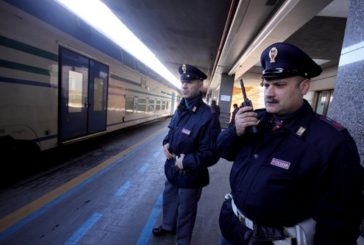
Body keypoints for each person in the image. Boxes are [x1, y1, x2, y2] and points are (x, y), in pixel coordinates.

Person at [217, 42, 364, 245]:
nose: (269, 93)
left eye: (280, 85)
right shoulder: (255, 119)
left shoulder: (331, 141)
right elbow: (222, 150)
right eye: (266, 84)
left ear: (303, 87)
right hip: (232, 231)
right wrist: (235, 131)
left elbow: (340, 221)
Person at [152, 64, 221, 245]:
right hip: (172, 167)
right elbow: (171, 133)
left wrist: (187, 161)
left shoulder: (208, 116)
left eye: (189, 81)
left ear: (200, 84)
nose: (184, 85)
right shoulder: (180, 108)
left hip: (191, 173)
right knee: (169, 199)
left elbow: (212, 153)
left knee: (186, 211)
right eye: (183, 81)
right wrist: (165, 144)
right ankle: (168, 226)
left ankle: (182, 241)